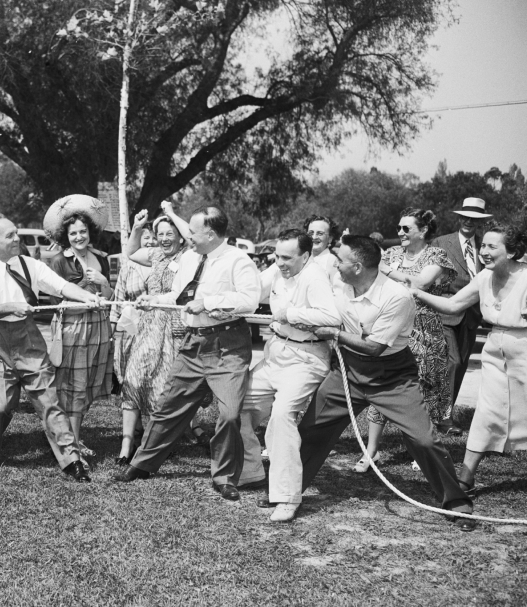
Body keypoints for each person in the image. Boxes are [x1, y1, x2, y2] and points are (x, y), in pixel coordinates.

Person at [294, 235, 475, 530]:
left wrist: (333, 334)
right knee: (310, 428)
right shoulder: (336, 282)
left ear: (359, 266)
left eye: (341, 260)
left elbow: (374, 347)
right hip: (346, 372)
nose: (335, 264)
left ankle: (456, 501)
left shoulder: (397, 297)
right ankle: (287, 491)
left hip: (391, 376)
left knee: (424, 439)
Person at [114, 205, 261, 502]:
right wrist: (153, 300)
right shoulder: (192, 258)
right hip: (193, 344)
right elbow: (179, 296)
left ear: (210, 233)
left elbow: (250, 300)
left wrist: (208, 302)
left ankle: (225, 477)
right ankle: (142, 465)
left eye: (192, 231)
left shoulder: (238, 260)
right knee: (169, 407)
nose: (188, 235)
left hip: (227, 347)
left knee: (230, 414)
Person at [0, 216, 102, 481]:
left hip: (29, 339)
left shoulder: (30, 265)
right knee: (0, 405)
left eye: (17, 233)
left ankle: (71, 460)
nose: (17, 239)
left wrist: (88, 296)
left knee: (49, 401)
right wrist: (10, 307)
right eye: (10, 235)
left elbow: (62, 286)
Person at [413, 224, 527, 496]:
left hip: (524, 349)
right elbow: (453, 306)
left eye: (491, 247)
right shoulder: (484, 278)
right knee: (486, 410)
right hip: (495, 349)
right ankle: (466, 476)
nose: (483, 252)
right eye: (483, 246)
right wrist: (415, 292)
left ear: (511, 251)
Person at [237, 229, 340, 521]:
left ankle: (286, 498)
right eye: (277, 256)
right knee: (238, 405)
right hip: (276, 353)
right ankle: (251, 472)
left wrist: (290, 314)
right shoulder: (278, 268)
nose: (279, 262)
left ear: (305, 256)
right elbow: (252, 291)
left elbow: (332, 317)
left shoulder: (315, 276)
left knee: (282, 416)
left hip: (306, 358)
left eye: (287, 257)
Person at [355, 208, 457, 471]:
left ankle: (420, 450)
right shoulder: (391, 254)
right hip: (392, 325)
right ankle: (372, 451)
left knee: (424, 388)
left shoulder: (437, 255)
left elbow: (421, 283)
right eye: (398, 228)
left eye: (405, 229)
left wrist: (385, 269)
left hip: (425, 328)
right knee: (383, 384)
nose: (399, 233)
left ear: (422, 231)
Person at [116, 205, 200, 464]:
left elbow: (192, 237)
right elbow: (130, 252)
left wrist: (172, 214)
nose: (164, 239)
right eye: (160, 234)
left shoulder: (188, 255)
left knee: (164, 386)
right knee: (134, 378)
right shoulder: (155, 255)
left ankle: (157, 443)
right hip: (149, 326)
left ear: (178, 236)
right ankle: (125, 445)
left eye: (169, 234)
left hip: (175, 329)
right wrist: (138, 226)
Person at [45, 197, 114, 453]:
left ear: (90, 232)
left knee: (88, 384)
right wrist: (86, 300)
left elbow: (109, 299)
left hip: (98, 327)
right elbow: (56, 301)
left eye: (83, 231)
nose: (78, 236)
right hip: (73, 327)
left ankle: (73, 435)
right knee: (73, 383)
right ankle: (71, 442)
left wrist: (104, 283)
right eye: (73, 233)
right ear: (66, 235)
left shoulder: (101, 259)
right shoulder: (59, 262)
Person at [432, 197, 492, 435]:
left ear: (480, 222)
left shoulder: (485, 246)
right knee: (452, 362)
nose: (469, 221)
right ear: (459, 218)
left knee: (462, 366)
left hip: (471, 316)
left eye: (475, 218)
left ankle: (443, 415)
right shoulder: (441, 242)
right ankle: (442, 418)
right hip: (444, 311)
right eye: (466, 216)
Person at [110, 220, 154, 459]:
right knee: (131, 381)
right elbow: (118, 297)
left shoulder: (165, 264)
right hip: (131, 327)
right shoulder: (128, 265)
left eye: (152, 238)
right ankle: (130, 440)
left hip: (157, 328)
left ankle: (151, 439)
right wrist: (114, 328)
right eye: (144, 237)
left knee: (152, 382)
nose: (149, 241)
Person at [304, 215, 341, 283]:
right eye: (311, 233)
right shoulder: (303, 257)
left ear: (330, 238)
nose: (314, 237)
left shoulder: (332, 261)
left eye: (320, 233)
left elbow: (337, 291)